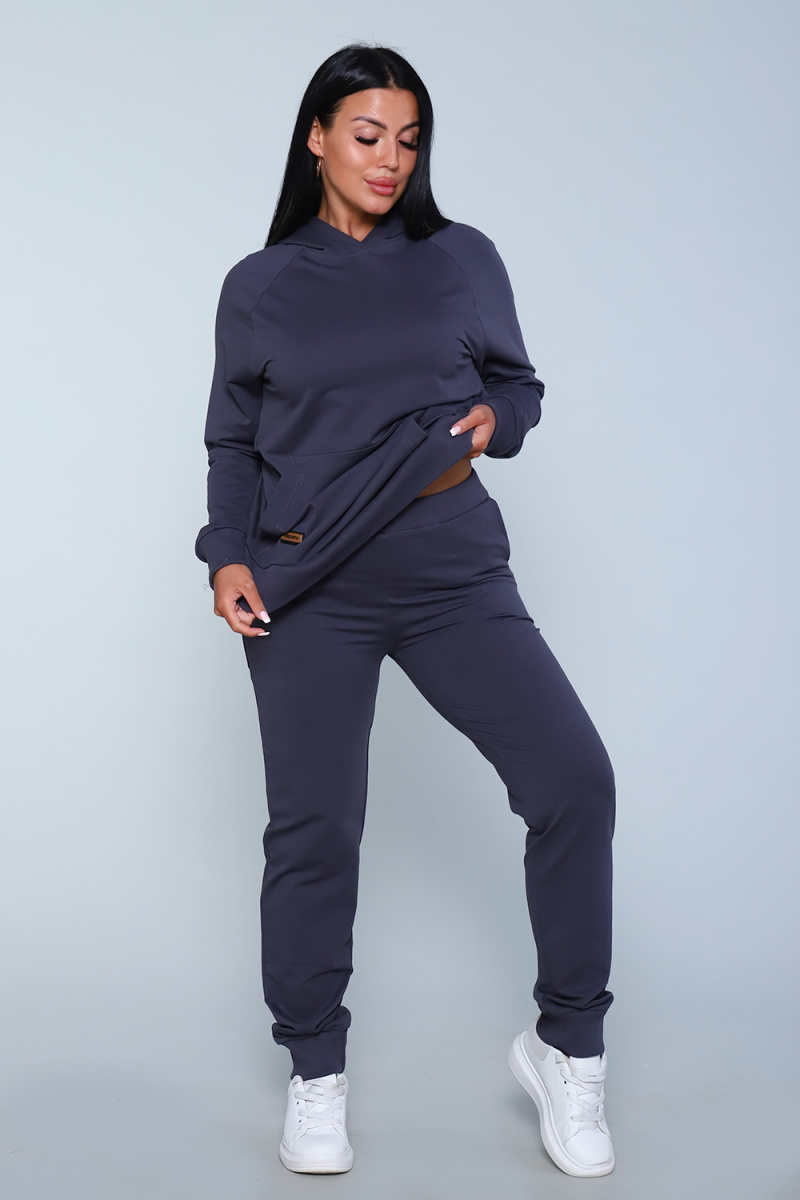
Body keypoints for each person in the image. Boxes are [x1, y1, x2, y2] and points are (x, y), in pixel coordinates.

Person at [196, 44, 616, 1179]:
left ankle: (568, 1048)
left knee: (574, 782)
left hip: (449, 574)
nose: (391, 159)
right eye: (368, 134)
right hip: (307, 585)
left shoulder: (459, 257)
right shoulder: (260, 284)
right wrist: (223, 556)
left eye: (410, 139)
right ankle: (315, 1071)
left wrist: (494, 423)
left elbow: (516, 386)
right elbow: (232, 441)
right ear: (317, 138)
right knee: (316, 830)